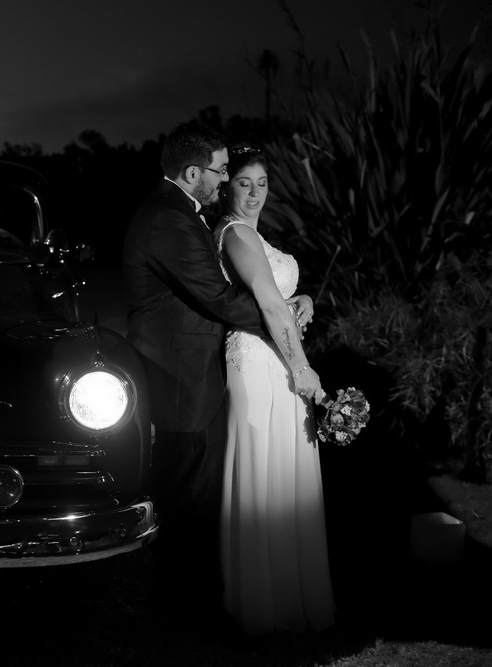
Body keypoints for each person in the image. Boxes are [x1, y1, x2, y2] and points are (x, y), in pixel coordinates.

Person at [122, 121, 313, 619]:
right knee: (187, 498)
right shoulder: (170, 218)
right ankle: (184, 607)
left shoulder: (182, 214)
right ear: (193, 172)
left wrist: (289, 306)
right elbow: (218, 296)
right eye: (223, 171)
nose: (227, 181)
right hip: (179, 374)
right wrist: (283, 318)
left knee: (199, 494)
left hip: (194, 371)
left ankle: (194, 598)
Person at [214, 143, 336, 635]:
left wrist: (302, 297)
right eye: (244, 183)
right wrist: (303, 368)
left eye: (262, 184)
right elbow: (265, 304)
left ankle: (291, 595)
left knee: (288, 471)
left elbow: (277, 293)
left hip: (277, 356)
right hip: (258, 363)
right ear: (227, 187)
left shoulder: (256, 236)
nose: (254, 194)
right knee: (265, 471)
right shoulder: (235, 233)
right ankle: (260, 604)